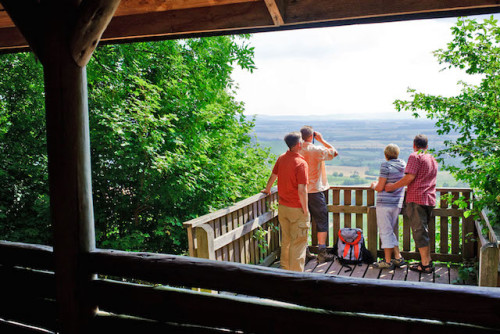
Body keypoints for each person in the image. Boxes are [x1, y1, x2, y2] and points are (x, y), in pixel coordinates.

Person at [385, 134, 438, 273]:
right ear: (427, 146)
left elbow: (410, 177)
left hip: (417, 198)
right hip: (429, 198)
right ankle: (426, 261)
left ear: (414, 145)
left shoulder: (415, 156)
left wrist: (392, 186)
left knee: (419, 232)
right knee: (423, 231)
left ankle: (425, 265)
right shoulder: (431, 157)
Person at [262, 132, 310, 272]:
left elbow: (273, 176)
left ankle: (285, 269)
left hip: (283, 207)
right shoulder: (301, 163)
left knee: (287, 240)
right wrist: (305, 210)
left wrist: (267, 189)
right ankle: (296, 275)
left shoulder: (282, 158)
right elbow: (302, 190)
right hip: (297, 208)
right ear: (298, 144)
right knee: (299, 243)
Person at [299, 126, 338, 263]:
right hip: (315, 191)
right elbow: (334, 153)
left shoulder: (296, 149)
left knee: (302, 222)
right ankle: (322, 252)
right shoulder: (316, 149)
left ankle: (304, 251)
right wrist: (322, 140)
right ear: (312, 136)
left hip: (299, 192)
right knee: (322, 220)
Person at [370, 144, 406, 269]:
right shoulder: (402, 165)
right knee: (389, 230)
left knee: (385, 231)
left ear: (386, 155)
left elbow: (380, 187)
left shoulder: (385, 165)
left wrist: (374, 185)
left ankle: (387, 261)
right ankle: (398, 257)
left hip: (384, 203)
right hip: (397, 203)